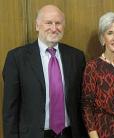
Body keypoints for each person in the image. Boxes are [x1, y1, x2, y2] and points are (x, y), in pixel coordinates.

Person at [3, 5, 86, 138]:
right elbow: (10, 109)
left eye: (58, 23)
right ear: (37, 25)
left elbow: (82, 103)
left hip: (69, 133)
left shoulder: (76, 57)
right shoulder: (17, 58)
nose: (54, 28)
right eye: (48, 23)